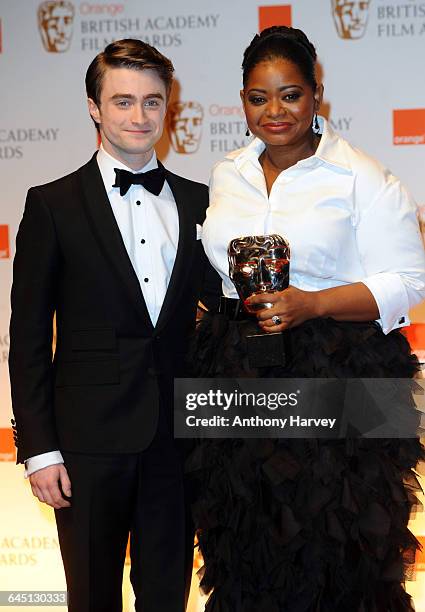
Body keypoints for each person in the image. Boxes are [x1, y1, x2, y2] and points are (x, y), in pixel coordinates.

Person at [188, 26, 425, 611]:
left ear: (317, 94)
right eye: (258, 97)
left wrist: (314, 303)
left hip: (342, 369)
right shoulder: (227, 174)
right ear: (242, 99)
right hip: (238, 372)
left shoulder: (359, 175)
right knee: (246, 536)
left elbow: (408, 282)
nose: (275, 111)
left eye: (290, 94)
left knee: (336, 547)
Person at [9, 39, 219, 612]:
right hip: (85, 446)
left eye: (153, 102)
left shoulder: (202, 203)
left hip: (177, 444)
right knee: (92, 598)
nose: (139, 116)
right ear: (94, 108)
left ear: (167, 108)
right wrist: (40, 450)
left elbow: (217, 325)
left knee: (166, 596)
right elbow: (27, 339)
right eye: (123, 101)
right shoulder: (51, 205)